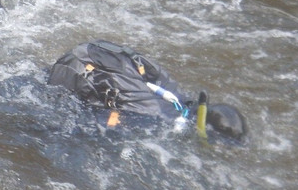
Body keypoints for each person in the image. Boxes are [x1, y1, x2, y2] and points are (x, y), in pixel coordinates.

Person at [47, 39, 247, 141]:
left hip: (92, 51)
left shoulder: (176, 96)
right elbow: (102, 125)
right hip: (75, 69)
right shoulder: (156, 118)